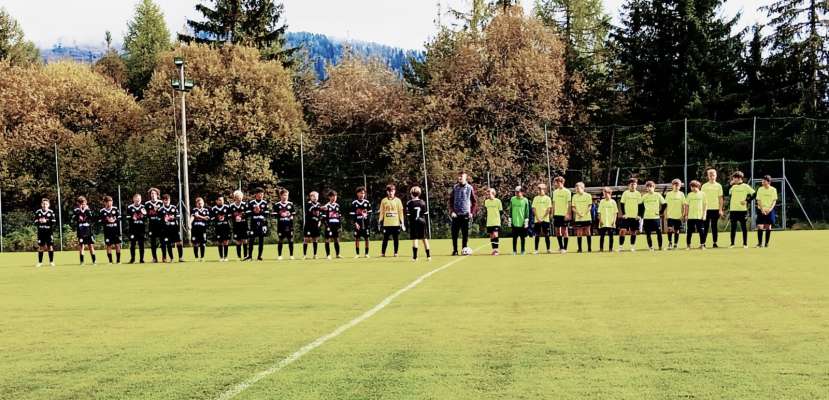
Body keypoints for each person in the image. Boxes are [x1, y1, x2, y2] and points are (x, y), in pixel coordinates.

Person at [448, 172, 477, 256]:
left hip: (465, 214)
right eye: (459, 177)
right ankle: (455, 250)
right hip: (456, 215)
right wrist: (452, 211)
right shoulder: (455, 188)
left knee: (465, 234)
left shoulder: (469, 188)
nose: (460, 178)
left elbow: (474, 202)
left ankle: (464, 249)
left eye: (461, 177)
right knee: (454, 234)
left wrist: (471, 212)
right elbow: (450, 201)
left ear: (465, 178)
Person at [728, 171, 755, 248]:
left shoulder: (746, 186)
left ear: (739, 178)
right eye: (733, 178)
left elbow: (754, 194)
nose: (733, 179)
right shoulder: (733, 186)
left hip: (742, 210)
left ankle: (745, 244)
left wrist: (747, 201)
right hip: (733, 210)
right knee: (733, 227)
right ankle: (732, 244)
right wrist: (730, 185)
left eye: (734, 178)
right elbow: (728, 193)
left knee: (744, 227)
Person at [379, 184, 405, 257]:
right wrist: (380, 221)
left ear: (394, 191)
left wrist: (402, 222)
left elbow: (400, 212)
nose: (391, 193)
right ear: (387, 192)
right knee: (385, 239)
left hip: (396, 224)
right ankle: (383, 253)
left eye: (392, 191)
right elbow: (382, 212)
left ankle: (396, 252)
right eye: (389, 191)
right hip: (387, 224)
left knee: (396, 239)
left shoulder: (398, 201)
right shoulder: (384, 201)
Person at [701, 168, 724, 248]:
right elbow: (702, 199)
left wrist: (720, 209)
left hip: (715, 209)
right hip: (706, 210)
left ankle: (715, 242)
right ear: (708, 176)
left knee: (714, 226)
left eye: (713, 175)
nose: (711, 176)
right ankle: (703, 243)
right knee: (705, 226)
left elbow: (720, 198)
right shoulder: (704, 186)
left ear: (716, 176)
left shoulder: (719, 186)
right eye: (710, 175)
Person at [406, 186, 431, 261]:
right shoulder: (422, 202)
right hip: (422, 222)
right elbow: (425, 213)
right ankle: (428, 256)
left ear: (411, 194)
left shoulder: (409, 203)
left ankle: (415, 257)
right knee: (424, 239)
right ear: (419, 193)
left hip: (414, 222)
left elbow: (408, 214)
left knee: (415, 239)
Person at [641, 181, 666, 251]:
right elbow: (640, 205)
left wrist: (661, 212)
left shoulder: (658, 195)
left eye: (650, 187)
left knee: (659, 232)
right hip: (646, 218)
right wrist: (641, 214)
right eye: (647, 187)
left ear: (654, 187)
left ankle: (660, 247)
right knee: (648, 233)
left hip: (655, 218)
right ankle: (650, 247)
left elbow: (664, 204)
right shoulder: (644, 196)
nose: (649, 188)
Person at [619, 178, 642, 252]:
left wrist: (639, 215)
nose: (633, 185)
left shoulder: (638, 194)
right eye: (631, 184)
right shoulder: (625, 193)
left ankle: (632, 247)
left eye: (634, 184)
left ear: (636, 185)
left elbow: (640, 205)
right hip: (626, 216)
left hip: (635, 217)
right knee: (622, 231)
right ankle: (620, 247)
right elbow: (622, 204)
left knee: (633, 232)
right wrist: (624, 214)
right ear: (628, 185)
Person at [159, 194, 184, 262]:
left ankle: (181, 257)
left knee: (179, 242)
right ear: (163, 201)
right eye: (165, 200)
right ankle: (171, 258)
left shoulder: (174, 207)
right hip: (166, 229)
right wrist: (164, 219)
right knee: (168, 243)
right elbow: (159, 220)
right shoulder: (161, 209)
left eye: (168, 200)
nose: (167, 201)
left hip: (174, 228)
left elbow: (179, 216)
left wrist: (174, 217)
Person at [247, 188, 270, 261]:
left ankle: (259, 256)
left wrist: (260, 211)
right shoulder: (251, 203)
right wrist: (254, 211)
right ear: (256, 194)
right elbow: (247, 212)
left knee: (261, 240)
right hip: (253, 223)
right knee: (251, 240)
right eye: (260, 194)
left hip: (262, 224)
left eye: (262, 194)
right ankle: (250, 256)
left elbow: (267, 213)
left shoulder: (265, 203)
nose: (261, 195)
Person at [684, 180, 708, 250]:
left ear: (698, 187)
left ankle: (702, 245)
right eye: (692, 187)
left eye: (695, 186)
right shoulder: (689, 195)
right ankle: (688, 245)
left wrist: (704, 214)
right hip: (691, 217)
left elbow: (705, 205)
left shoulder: (703, 194)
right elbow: (687, 205)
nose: (693, 188)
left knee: (701, 231)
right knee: (689, 232)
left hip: (700, 217)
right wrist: (686, 215)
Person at [72, 196, 96, 266]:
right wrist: (80, 210)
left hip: (88, 230)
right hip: (80, 231)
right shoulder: (76, 210)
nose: (82, 205)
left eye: (83, 203)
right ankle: (82, 262)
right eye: (80, 203)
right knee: (81, 246)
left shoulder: (88, 210)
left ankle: (94, 261)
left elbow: (91, 217)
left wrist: (86, 210)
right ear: (78, 204)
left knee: (90, 246)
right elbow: (75, 218)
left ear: (86, 203)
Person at [570, 182, 593, 253]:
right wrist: (578, 213)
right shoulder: (574, 196)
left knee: (588, 232)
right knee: (579, 233)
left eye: (578, 188)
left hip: (587, 218)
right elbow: (573, 207)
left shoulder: (588, 196)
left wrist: (584, 213)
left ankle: (589, 248)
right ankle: (579, 249)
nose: (576, 189)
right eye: (576, 188)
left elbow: (590, 206)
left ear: (582, 188)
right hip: (578, 218)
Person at [274, 189, 297, 260]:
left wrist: (290, 214)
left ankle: (291, 255)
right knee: (280, 240)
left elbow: (294, 213)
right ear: (280, 196)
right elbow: (274, 214)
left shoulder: (290, 204)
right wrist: (280, 214)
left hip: (289, 225)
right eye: (284, 195)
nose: (285, 197)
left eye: (286, 195)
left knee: (290, 240)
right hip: (281, 225)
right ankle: (280, 255)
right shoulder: (277, 205)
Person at [755, 175, 777, 248]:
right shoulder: (760, 189)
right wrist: (762, 209)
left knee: (768, 226)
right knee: (760, 226)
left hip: (769, 210)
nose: (762, 182)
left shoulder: (773, 190)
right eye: (762, 180)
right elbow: (758, 200)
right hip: (761, 210)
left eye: (764, 181)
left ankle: (766, 243)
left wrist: (770, 210)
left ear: (768, 182)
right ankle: (760, 243)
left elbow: (774, 201)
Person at [351, 187, 372, 258]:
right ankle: (357, 254)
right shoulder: (354, 203)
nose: (362, 194)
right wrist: (355, 223)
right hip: (358, 224)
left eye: (363, 193)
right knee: (357, 238)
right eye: (361, 193)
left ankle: (366, 253)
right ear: (357, 194)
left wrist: (367, 218)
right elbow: (352, 215)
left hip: (365, 224)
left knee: (367, 238)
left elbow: (370, 213)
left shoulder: (367, 202)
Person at [552, 176, 572, 253]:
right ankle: (561, 247)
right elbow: (553, 203)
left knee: (565, 231)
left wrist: (568, 214)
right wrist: (552, 213)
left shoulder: (567, 192)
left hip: (564, 214)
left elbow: (569, 204)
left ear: (561, 182)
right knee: (557, 231)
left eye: (556, 182)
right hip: (557, 214)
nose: (555, 184)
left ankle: (565, 248)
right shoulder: (554, 192)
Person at [34, 198, 57, 267]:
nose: (45, 205)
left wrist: (46, 221)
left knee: (50, 247)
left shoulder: (51, 212)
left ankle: (51, 262)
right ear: (41, 204)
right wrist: (39, 221)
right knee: (41, 247)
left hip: (49, 232)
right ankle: (40, 262)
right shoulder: (38, 212)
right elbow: (35, 221)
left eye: (46, 204)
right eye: (43, 204)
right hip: (41, 232)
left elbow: (53, 222)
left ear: (48, 205)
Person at [664, 179, 686, 250]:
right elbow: (666, 205)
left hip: (678, 216)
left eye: (678, 185)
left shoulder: (681, 194)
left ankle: (675, 244)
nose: (676, 187)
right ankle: (670, 243)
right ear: (672, 186)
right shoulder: (668, 194)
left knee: (677, 230)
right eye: (675, 185)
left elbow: (684, 205)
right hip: (670, 215)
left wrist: (683, 215)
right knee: (669, 229)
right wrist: (665, 214)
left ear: (680, 186)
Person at [100, 196, 122, 264]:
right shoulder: (102, 211)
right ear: (105, 203)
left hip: (115, 230)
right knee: (108, 245)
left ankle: (118, 261)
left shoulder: (115, 209)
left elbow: (120, 217)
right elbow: (100, 220)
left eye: (111, 201)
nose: (110, 203)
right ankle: (110, 261)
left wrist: (115, 220)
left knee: (117, 245)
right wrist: (107, 220)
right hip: (108, 231)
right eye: (108, 202)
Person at [531, 183, 552, 254]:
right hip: (537, 220)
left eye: (541, 189)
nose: (539, 190)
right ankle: (536, 250)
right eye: (539, 189)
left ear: (544, 190)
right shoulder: (535, 198)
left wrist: (542, 218)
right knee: (537, 234)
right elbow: (534, 209)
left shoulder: (548, 198)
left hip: (545, 220)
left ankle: (548, 249)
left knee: (547, 234)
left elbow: (548, 209)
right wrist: (537, 217)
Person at [321, 190, 342, 259]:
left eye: (335, 196)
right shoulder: (326, 206)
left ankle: (338, 254)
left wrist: (340, 225)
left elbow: (339, 216)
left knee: (336, 239)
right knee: (327, 239)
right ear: (329, 197)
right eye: (332, 196)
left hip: (336, 224)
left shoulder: (337, 206)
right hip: (329, 225)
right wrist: (327, 225)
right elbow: (323, 217)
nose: (334, 198)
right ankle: (328, 255)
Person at [509, 186, 530, 255]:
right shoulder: (512, 199)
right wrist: (510, 220)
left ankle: (523, 250)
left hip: (522, 222)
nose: (516, 193)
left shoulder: (525, 200)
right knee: (514, 238)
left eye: (518, 192)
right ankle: (514, 251)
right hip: (514, 222)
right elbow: (510, 210)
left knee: (522, 238)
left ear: (522, 192)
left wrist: (526, 221)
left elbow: (527, 211)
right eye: (516, 192)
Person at [145, 188, 164, 263]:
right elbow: (145, 215)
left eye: (154, 193)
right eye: (151, 193)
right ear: (150, 195)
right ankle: (154, 258)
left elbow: (164, 213)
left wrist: (158, 210)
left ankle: (164, 257)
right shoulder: (147, 204)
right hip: (152, 225)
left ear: (157, 194)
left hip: (160, 225)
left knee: (162, 242)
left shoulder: (161, 203)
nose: (153, 195)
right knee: (153, 242)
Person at [229, 190, 249, 261]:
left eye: (240, 197)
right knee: (238, 241)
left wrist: (241, 217)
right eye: (237, 197)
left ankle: (246, 256)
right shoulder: (231, 206)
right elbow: (229, 215)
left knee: (245, 240)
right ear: (234, 197)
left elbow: (248, 214)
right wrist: (235, 218)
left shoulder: (245, 205)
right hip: (236, 226)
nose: (239, 198)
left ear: (242, 197)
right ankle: (238, 256)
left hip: (244, 225)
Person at [126, 194, 146, 264]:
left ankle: (141, 259)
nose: (138, 200)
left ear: (141, 199)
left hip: (141, 229)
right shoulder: (130, 207)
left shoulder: (143, 207)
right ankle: (132, 259)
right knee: (133, 244)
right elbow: (127, 217)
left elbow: (146, 217)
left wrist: (144, 215)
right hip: (133, 229)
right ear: (133, 199)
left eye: (139, 198)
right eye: (136, 198)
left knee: (141, 244)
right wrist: (132, 217)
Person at [483, 188, 504, 256]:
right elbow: (486, 211)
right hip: (489, 222)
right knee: (491, 236)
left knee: (495, 234)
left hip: (496, 221)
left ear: (493, 194)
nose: (488, 195)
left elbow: (501, 211)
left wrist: (497, 217)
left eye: (489, 194)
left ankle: (496, 250)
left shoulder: (498, 201)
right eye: (487, 194)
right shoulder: (486, 202)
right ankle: (493, 250)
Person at [597, 187, 618, 252]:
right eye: (604, 194)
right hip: (603, 222)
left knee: (611, 236)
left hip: (610, 222)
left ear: (610, 194)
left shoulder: (613, 202)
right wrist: (600, 221)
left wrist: (614, 222)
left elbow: (615, 213)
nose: (605, 195)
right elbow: (599, 212)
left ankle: (610, 249)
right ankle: (601, 249)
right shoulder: (602, 202)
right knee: (602, 236)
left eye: (606, 193)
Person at [212, 196, 231, 262]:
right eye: (219, 200)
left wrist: (225, 217)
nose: (221, 201)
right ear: (216, 201)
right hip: (218, 227)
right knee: (219, 242)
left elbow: (230, 215)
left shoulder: (227, 207)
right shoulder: (214, 208)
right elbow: (212, 218)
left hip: (226, 227)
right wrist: (217, 218)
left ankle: (225, 257)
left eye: (222, 200)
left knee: (226, 242)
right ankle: (221, 257)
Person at [303, 191, 322, 259]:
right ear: (310, 197)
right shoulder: (308, 204)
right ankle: (304, 255)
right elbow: (310, 210)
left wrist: (319, 221)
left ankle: (315, 254)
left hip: (315, 225)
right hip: (308, 224)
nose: (315, 198)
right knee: (306, 239)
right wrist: (319, 208)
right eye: (313, 196)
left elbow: (320, 214)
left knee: (315, 239)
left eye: (317, 196)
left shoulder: (319, 204)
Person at [190, 197, 210, 262]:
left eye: (201, 203)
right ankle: (196, 257)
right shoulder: (194, 210)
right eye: (199, 203)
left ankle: (202, 257)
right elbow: (192, 217)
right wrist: (189, 223)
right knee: (195, 243)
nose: (200, 204)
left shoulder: (206, 210)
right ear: (196, 204)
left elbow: (207, 218)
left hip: (203, 229)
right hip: (195, 229)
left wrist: (199, 216)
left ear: (203, 203)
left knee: (203, 243)